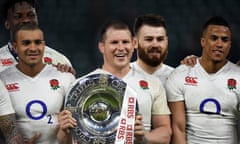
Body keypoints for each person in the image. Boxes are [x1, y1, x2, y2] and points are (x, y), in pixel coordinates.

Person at [59, 19, 171, 144]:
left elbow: (165, 133)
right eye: (114, 42)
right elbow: (68, 140)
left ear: (134, 44)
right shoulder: (81, 86)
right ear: (102, 47)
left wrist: (143, 138)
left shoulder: (152, 83)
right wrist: (64, 131)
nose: (121, 48)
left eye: (125, 42)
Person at [165, 16, 240, 143]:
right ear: (203, 41)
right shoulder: (180, 74)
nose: (219, 44)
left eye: (225, 40)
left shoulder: (238, 76)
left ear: (230, 45)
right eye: (214, 38)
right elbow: (178, 128)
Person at [0, 23, 76, 143]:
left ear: (44, 45)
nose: (33, 48)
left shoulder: (65, 77)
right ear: (15, 47)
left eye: (38, 42)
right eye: (26, 43)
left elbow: (76, 127)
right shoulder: (2, 80)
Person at [0, 0, 75, 74]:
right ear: (7, 24)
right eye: (18, 16)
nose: (26, 20)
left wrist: (68, 77)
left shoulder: (59, 60)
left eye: (31, 15)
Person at [131, 13, 174, 86]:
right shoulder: (121, 77)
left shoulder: (177, 78)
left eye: (160, 39)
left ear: (166, 42)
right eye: (149, 39)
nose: (155, 45)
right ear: (135, 43)